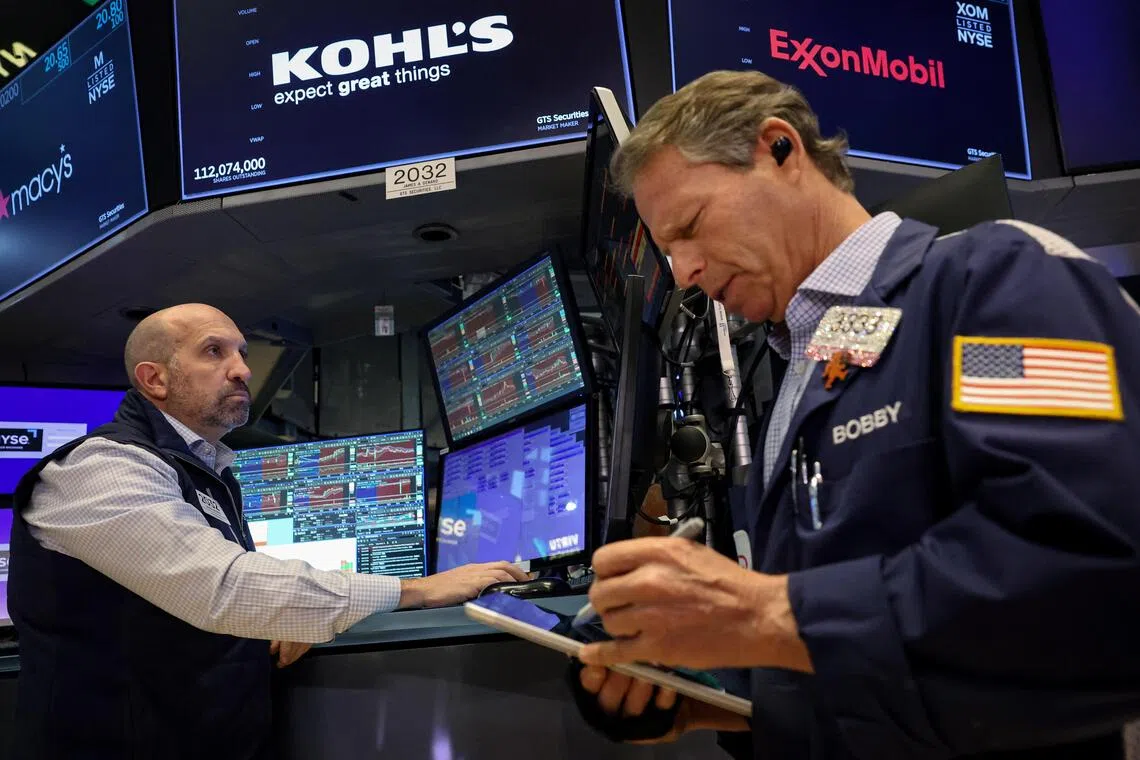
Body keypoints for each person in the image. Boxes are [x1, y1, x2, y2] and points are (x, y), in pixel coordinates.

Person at [572, 70, 1140, 759]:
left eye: (691, 227)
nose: (686, 270)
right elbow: (858, 661)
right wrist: (710, 693)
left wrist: (761, 614)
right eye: (669, 251)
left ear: (780, 150)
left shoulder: (989, 289)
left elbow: (1090, 578)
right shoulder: (808, 367)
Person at [8, 303, 527, 760]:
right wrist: (415, 590)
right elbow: (223, 589)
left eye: (241, 352)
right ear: (154, 379)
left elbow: (204, 608)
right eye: (213, 352)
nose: (240, 369)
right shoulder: (99, 469)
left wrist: (279, 619)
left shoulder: (204, 468)